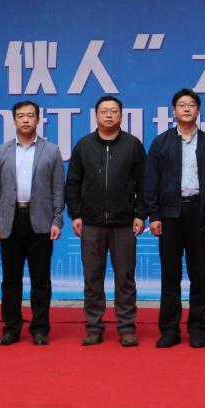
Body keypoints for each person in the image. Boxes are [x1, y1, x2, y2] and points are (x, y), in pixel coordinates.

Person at [65, 95, 147, 347]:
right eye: (104, 111)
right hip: (91, 223)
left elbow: (144, 183)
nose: (109, 115)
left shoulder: (133, 145)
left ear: (121, 115)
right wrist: (75, 214)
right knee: (92, 278)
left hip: (124, 223)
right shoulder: (84, 145)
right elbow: (73, 183)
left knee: (125, 277)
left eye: (113, 111)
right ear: (96, 116)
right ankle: (93, 327)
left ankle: (126, 327)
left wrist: (140, 214)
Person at [142, 89, 205, 349]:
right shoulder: (161, 143)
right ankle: (170, 329)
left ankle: (198, 328)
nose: (187, 109)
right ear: (174, 111)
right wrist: (154, 214)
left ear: (198, 110)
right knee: (170, 274)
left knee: (199, 275)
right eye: (181, 105)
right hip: (170, 214)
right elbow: (151, 180)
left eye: (191, 105)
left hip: (199, 212)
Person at [0, 101, 64, 346]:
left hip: (40, 220)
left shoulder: (51, 150)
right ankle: (11, 328)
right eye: (20, 116)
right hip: (11, 220)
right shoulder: (1, 151)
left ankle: (40, 329)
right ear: (14, 120)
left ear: (38, 120)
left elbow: (58, 189)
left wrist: (57, 220)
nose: (25, 120)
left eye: (30, 115)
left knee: (40, 280)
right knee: (11, 280)